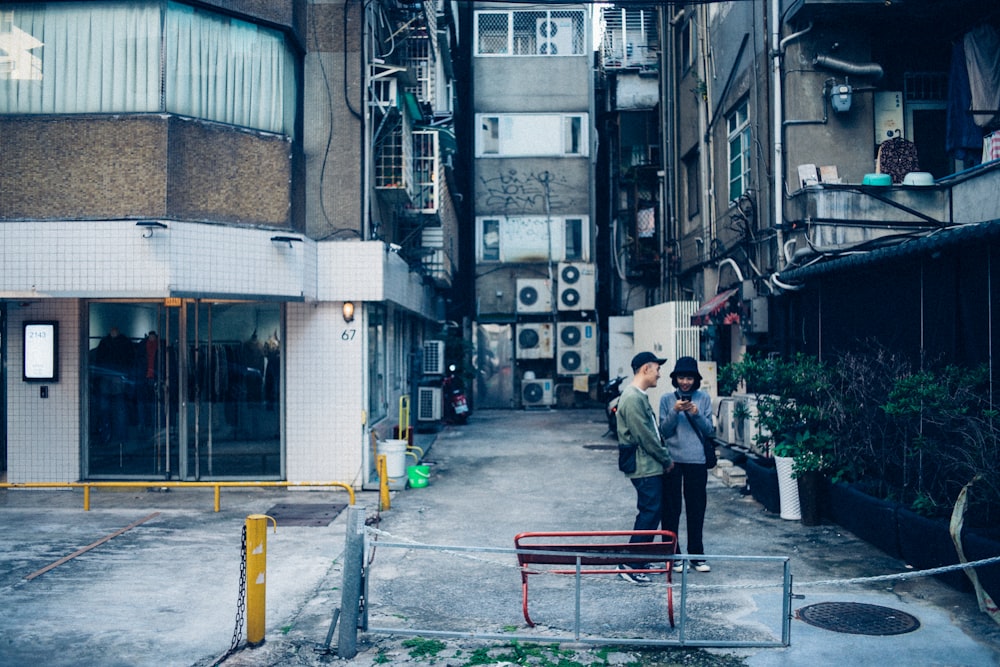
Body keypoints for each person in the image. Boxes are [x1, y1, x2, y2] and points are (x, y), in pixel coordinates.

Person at [615, 351, 673, 584]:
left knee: (651, 511)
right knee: (649, 512)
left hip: (647, 464)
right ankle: (630, 562)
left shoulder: (637, 395)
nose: (660, 374)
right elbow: (645, 435)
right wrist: (666, 459)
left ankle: (639, 559)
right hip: (644, 465)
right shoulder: (632, 398)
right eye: (657, 368)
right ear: (645, 369)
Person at [659, 356, 715, 573]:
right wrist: (675, 411)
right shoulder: (666, 399)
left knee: (696, 507)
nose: (685, 382)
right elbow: (664, 431)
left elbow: (710, 430)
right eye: (681, 377)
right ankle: (672, 554)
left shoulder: (703, 398)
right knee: (671, 509)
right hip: (672, 460)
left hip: (696, 460)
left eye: (689, 377)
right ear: (675, 378)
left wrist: (695, 413)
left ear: (695, 379)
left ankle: (696, 555)